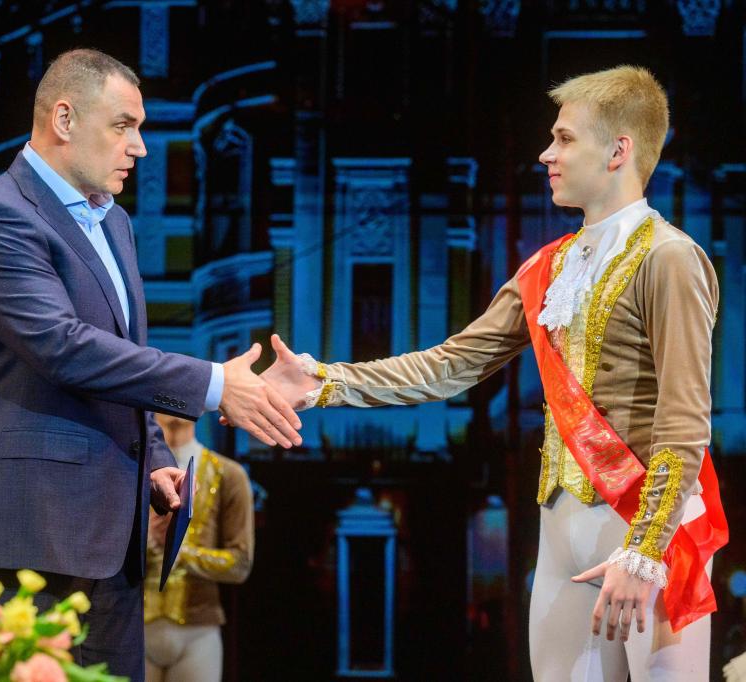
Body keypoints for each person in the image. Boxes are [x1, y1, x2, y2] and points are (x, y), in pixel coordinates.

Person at [262, 66, 726, 681]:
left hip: (647, 525)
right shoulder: (549, 266)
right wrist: (326, 380)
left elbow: (685, 421)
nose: (546, 154)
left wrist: (645, 551)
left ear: (619, 151)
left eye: (564, 139)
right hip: (560, 527)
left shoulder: (671, 258)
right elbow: (454, 363)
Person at [0, 48, 300, 681]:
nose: (140, 147)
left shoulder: (115, 224)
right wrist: (213, 383)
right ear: (63, 119)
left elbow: (120, 359)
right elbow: (64, 347)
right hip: (32, 534)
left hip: (115, 539)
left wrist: (156, 457)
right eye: (123, 126)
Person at [144, 414, 254, 682]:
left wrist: (180, 553)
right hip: (135, 624)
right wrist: (146, 542)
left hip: (198, 631)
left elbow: (240, 563)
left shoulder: (228, 474)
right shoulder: (131, 473)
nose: (174, 401)